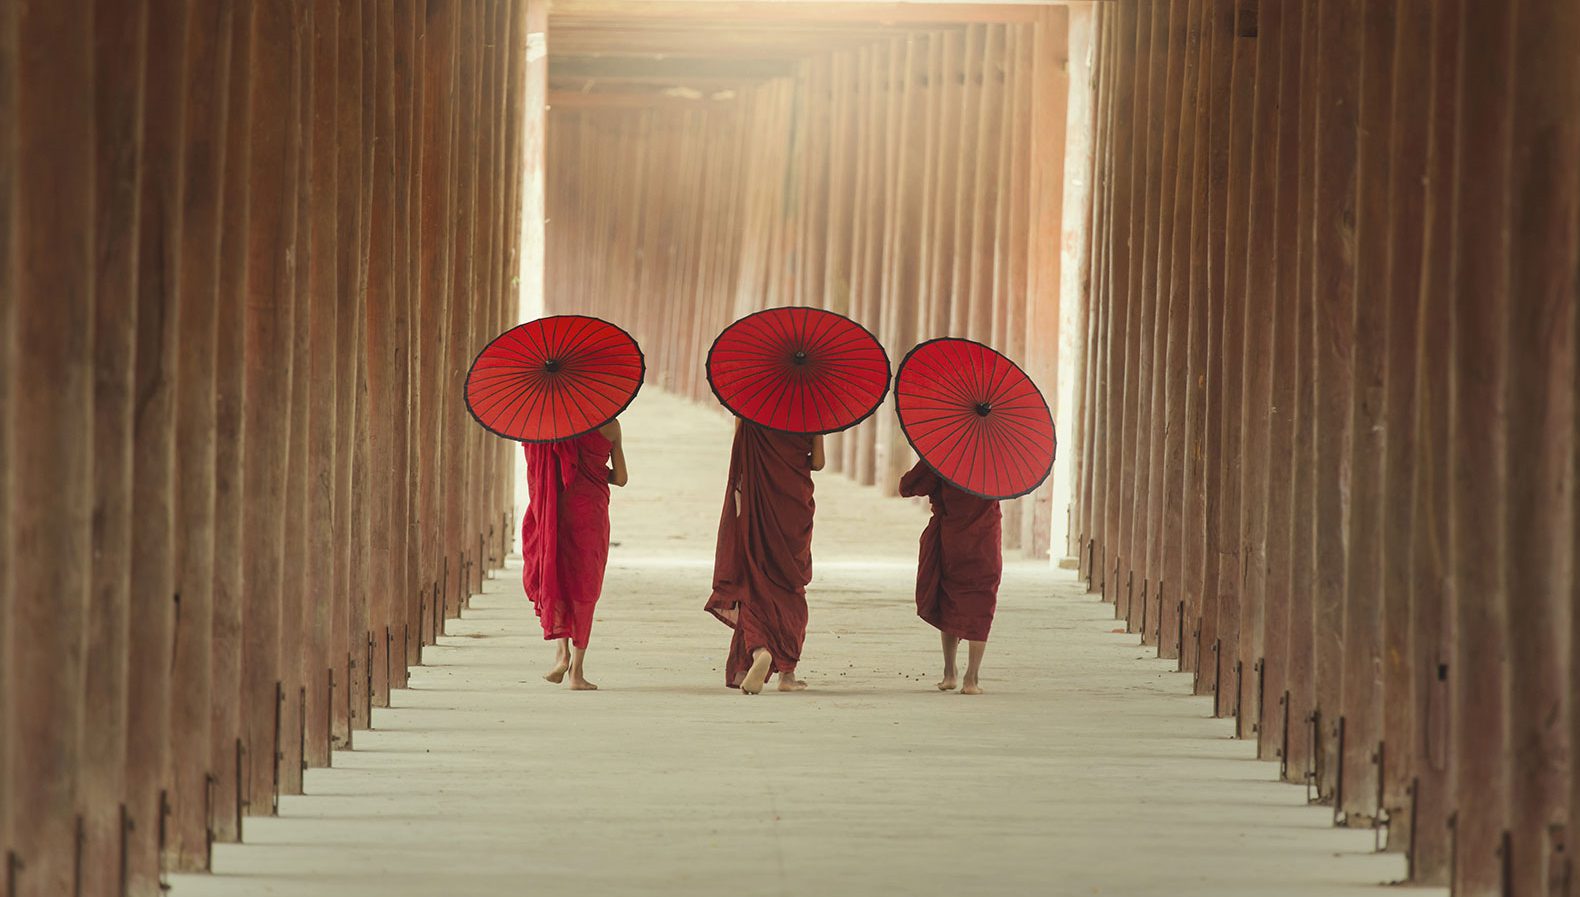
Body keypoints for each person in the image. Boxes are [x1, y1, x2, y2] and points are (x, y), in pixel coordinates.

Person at [705, 419, 825, 694]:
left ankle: (760, 652)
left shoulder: (751, 408)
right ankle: (787, 674)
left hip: (758, 505)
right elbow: (817, 463)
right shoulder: (811, 410)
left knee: (754, 581)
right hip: (795, 508)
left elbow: (740, 453)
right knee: (791, 585)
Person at [521, 419, 628, 690]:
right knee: (585, 585)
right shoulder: (611, 426)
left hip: (558, 509)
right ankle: (576, 673)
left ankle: (562, 654)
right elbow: (621, 478)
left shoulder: (553, 425)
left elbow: (539, 470)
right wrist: (594, 471)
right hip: (590, 511)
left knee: (558, 574)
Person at [898, 460, 1002, 695]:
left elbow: (908, 487)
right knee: (981, 602)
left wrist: (930, 466)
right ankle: (971, 678)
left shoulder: (946, 456)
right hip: (986, 538)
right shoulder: (997, 459)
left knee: (950, 597)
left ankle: (949, 673)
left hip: (952, 538)